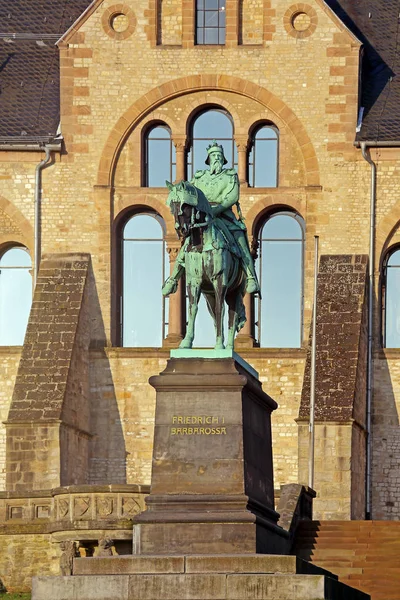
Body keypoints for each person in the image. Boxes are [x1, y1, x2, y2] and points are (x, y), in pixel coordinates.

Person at [162, 140, 260, 296]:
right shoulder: (200, 177)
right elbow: (190, 193)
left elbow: (232, 196)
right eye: (213, 155)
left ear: (223, 159)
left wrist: (215, 210)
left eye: (219, 155)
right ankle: (173, 279)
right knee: (188, 242)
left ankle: (250, 276)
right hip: (202, 217)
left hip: (224, 215)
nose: (216, 158)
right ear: (208, 159)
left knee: (240, 238)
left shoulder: (230, 176)